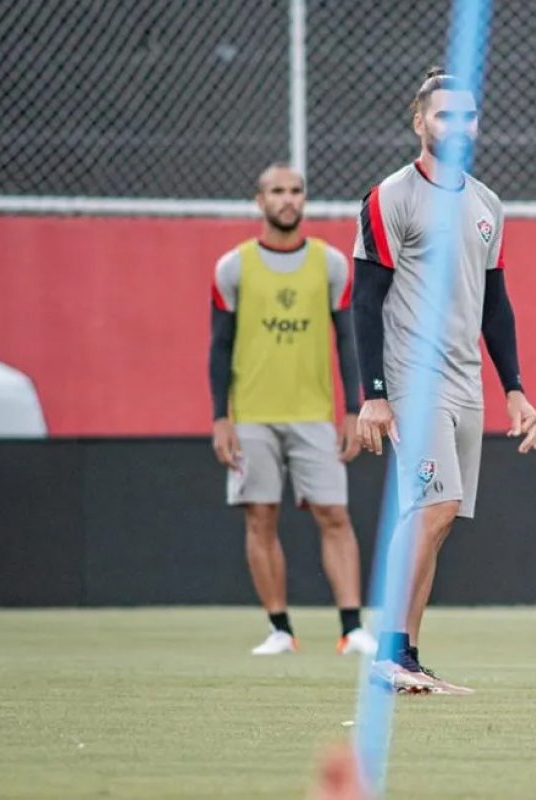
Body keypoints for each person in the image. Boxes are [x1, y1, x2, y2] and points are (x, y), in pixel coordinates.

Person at [352, 68, 536, 694]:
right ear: (419, 122)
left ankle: (402, 656)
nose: (457, 127)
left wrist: (514, 385)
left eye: (468, 116)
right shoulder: (392, 196)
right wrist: (373, 394)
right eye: (443, 116)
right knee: (433, 508)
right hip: (414, 376)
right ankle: (386, 651)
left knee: (441, 514)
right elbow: (365, 300)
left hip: (466, 383)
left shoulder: (487, 203)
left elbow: (495, 303)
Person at [209, 163, 377, 658]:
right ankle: (280, 628)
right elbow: (220, 347)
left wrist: (352, 408)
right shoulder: (233, 267)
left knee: (334, 515)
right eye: (277, 192)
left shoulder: (329, 265)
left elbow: (347, 338)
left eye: (296, 191)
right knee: (260, 517)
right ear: (259, 201)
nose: (288, 199)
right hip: (253, 415)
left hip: (313, 415)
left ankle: (352, 628)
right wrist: (221, 416)